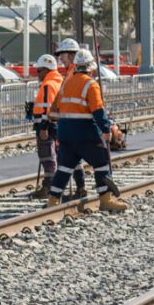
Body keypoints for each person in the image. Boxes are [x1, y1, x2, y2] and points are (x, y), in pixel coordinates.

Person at [47, 49, 128, 212]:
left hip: (65, 132)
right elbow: (98, 111)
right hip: (85, 133)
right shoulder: (91, 84)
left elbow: (54, 111)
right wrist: (106, 129)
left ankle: (53, 201)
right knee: (101, 163)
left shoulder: (66, 82)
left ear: (76, 66)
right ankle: (105, 200)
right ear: (91, 67)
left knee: (65, 167)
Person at [48, 37, 88, 196]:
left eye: (62, 55)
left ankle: (61, 192)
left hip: (73, 121)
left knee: (68, 157)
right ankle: (80, 187)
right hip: (68, 120)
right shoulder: (69, 72)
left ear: (71, 54)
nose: (60, 58)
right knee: (73, 157)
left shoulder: (74, 72)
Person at [31, 54, 63, 199]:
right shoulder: (59, 81)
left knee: (47, 157)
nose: (37, 74)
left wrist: (43, 128)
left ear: (46, 69)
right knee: (56, 155)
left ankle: (49, 186)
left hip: (46, 127)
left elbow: (47, 108)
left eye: (39, 71)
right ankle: (54, 185)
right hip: (57, 125)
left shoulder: (48, 85)